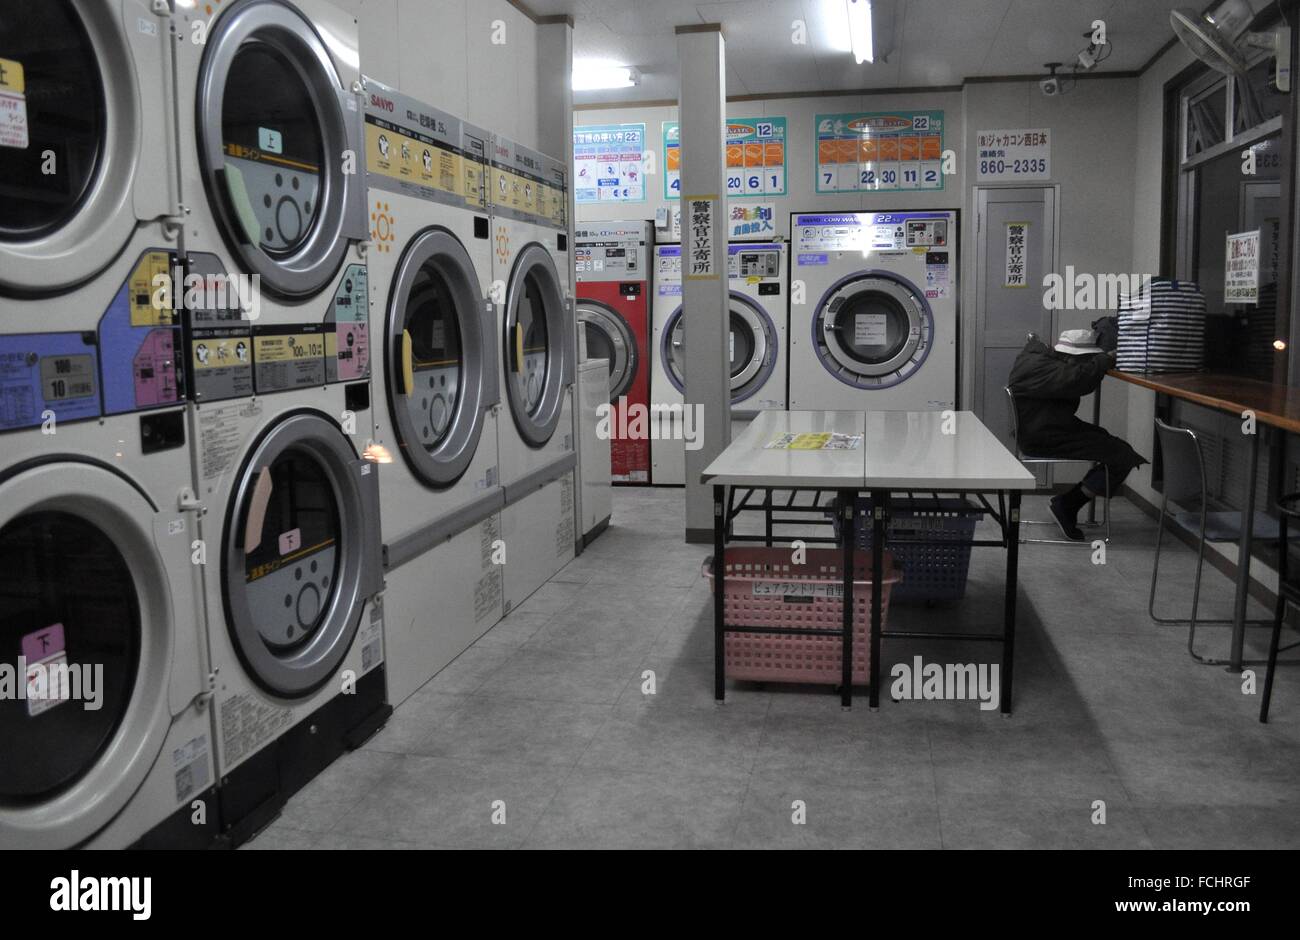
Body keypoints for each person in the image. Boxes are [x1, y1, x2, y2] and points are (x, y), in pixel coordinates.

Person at [1008, 328, 1147, 541]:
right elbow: (1079, 380)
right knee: (1121, 454)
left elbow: (1076, 377)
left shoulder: (1035, 359)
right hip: (1044, 436)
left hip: (1043, 427)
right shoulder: (1047, 369)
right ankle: (1067, 506)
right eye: (1085, 359)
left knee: (1106, 441)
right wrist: (1105, 359)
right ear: (1072, 356)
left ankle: (1066, 504)